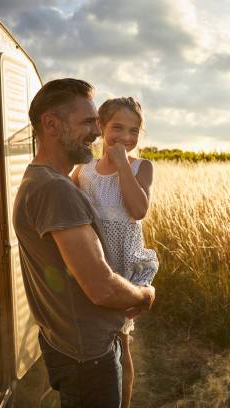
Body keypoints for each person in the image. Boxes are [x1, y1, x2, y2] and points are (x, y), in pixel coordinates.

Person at [12, 78, 155, 408]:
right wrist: (144, 295)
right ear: (51, 124)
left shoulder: (44, 180)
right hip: (88, 353)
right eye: (89, 121)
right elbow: (103, 288)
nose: (96, 131)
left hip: (68, 341)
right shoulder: (58, 188)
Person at [71, 97, 158, 408]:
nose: (125, 137)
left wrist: (122, 164)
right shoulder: (84, 170)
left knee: (120, 341)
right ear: (100, 128)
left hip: (122, 265)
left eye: (133, 130)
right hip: (95, 261)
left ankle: (123, 402)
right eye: (117, 128)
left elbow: (137, 210)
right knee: (97, 339)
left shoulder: (141, 167)